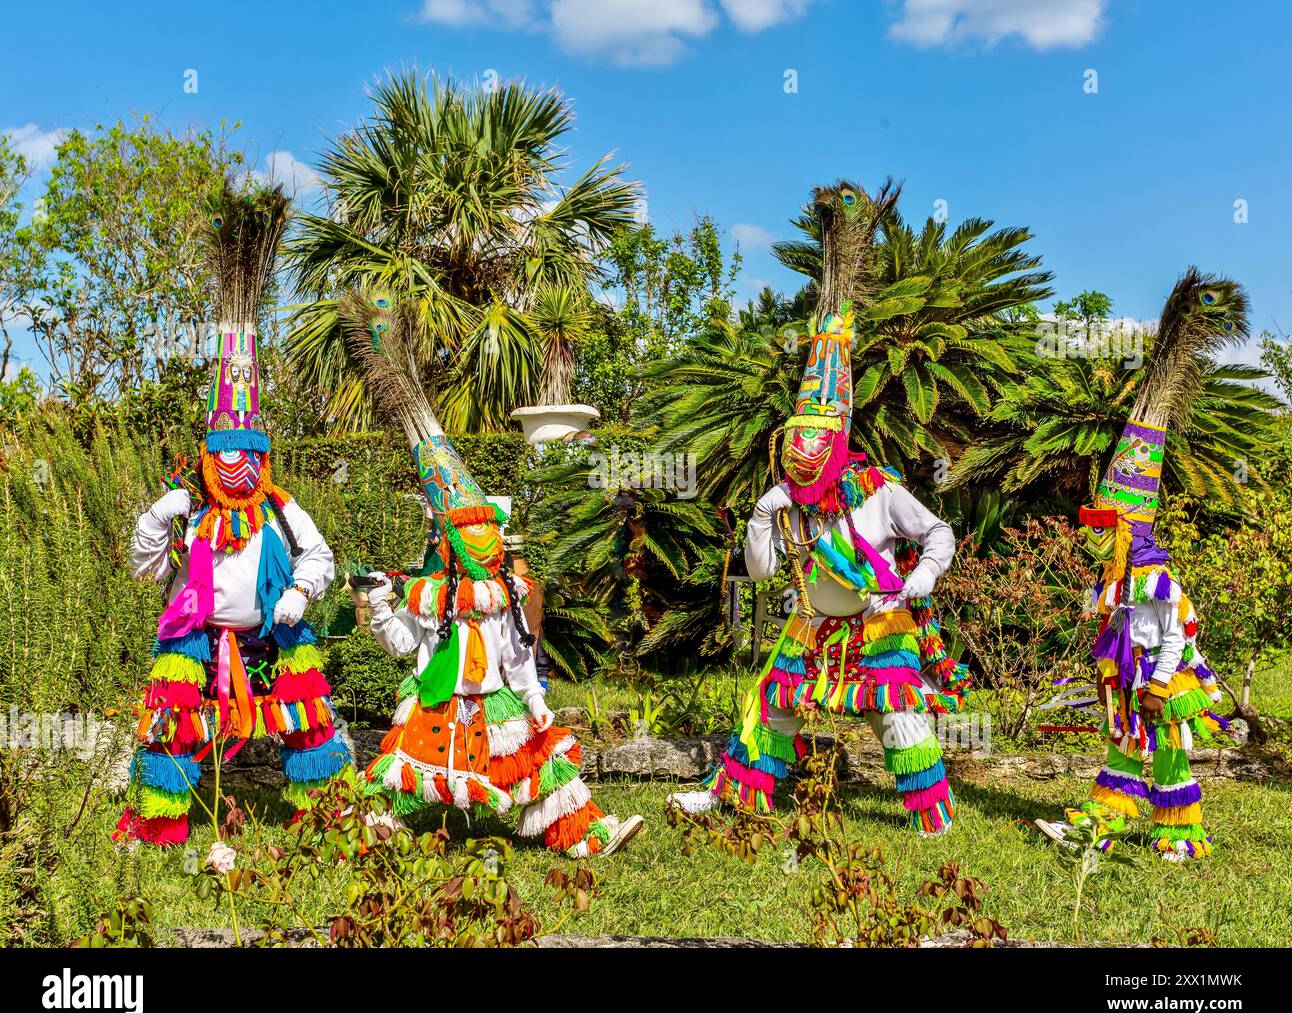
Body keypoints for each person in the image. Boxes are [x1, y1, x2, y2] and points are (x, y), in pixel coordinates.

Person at [668, 182, 969, 834]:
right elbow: (765, 573)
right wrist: (758, 521)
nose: (803, 459)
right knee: (772, 704)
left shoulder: (879, 491)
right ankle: (733, 797)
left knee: (897, 718)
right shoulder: (785, 501)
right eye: (795, 446)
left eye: (815, 447)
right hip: (811, 622)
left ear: (835, 445)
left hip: (880, 624)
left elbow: (939, 532)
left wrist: (919, 579)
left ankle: (934, 819)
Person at [346, 293, 643, 857]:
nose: (488, 548)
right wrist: (384, 606)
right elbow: (402, 642)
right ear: (453, 546)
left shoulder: (504, 592)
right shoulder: (430, 594)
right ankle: (368, 833)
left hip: (495, 700)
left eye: (493, 538)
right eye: (474, 540)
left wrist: (533, 699)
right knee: (399, 776)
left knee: (543, 767)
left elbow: (514, 655)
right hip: (437, 702)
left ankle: (586, 835)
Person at [115, 186, 350, 846]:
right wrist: (157, 518)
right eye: (226, 455)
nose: (237, 467)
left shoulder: (280, 507)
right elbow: (145, 566)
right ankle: (156, 826)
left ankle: (328, 820)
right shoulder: (190, 508)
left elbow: (319, 554)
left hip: (273, 636)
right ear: (208, 456)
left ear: (263, 457)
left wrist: (302, 592)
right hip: (197, 641)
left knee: (310, 720)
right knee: (169, 726)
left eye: (249, 455)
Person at [1036, 271, 1246, 861]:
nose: (1093, 537)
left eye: (1104, 528)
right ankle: (1097, 829)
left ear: (1128, 529)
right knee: (1125, 750)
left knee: (1171, 756)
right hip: (1129, 681)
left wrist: (1156, 686)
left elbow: (1177, 635)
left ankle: (1181, 836)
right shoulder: (1114, 577)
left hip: (1161, 679)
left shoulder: (1154, 576)